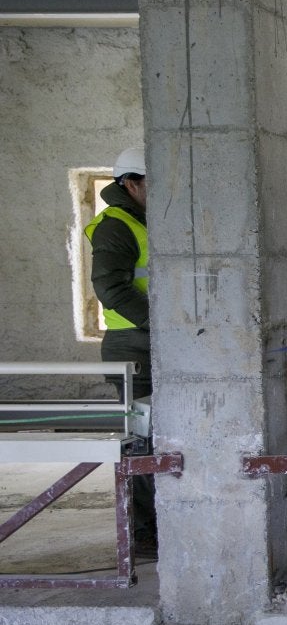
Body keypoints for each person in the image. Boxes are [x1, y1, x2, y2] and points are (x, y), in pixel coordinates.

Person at [84, 146, 158, 558]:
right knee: (142, 444)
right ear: (131, 184)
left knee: (158, 441)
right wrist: (167, 328)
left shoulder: (145, 220)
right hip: (136, 349)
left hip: (151, 345)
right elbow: (111, 289)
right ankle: (145, 532)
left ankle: (157, 523)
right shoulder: (116, 225)